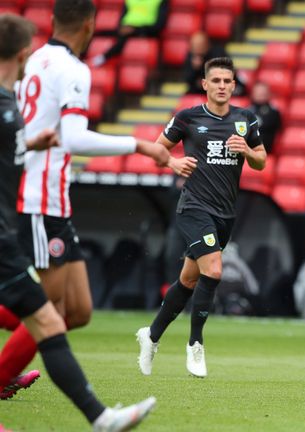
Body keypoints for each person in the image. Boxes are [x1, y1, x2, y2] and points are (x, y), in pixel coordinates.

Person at [0, 0, 169, 398]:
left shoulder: (35, 58)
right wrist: (141, 145)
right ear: (91, 25)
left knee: (77, 311)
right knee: (49, 309)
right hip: (40, 197)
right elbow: (74, 138)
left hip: (52, 196)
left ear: (54, 21)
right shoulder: (73, 68)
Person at [136, 56, 267, 378]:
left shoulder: (245, 120)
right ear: (205, 84)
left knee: (189, 279)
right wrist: (173, 164)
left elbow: (262, 160)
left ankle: (151, 335)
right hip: (194, 207)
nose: (222, 86)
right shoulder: (188, 117)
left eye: (227, 81)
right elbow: (157, 150)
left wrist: (248, 152)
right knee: (215, 270)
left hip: (226, 213)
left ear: (234, 85)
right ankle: (195, 345)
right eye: (216, 80)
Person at [90, 0, 169, 66]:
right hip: (126, 27)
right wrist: (122, 26)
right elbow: (123, 16)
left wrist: (136, 29)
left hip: (145, 30)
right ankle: (82, 56)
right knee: (98, 33)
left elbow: (159, 25)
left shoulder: (160, 1)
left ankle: (102, 58)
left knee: (124, 36)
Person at [247, 81, 282, 153]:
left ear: (268, 94)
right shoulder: (247, 111)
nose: (261, 94)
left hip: (266, 150)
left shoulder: (273, 112)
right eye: (258, 92)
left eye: (263, 92)